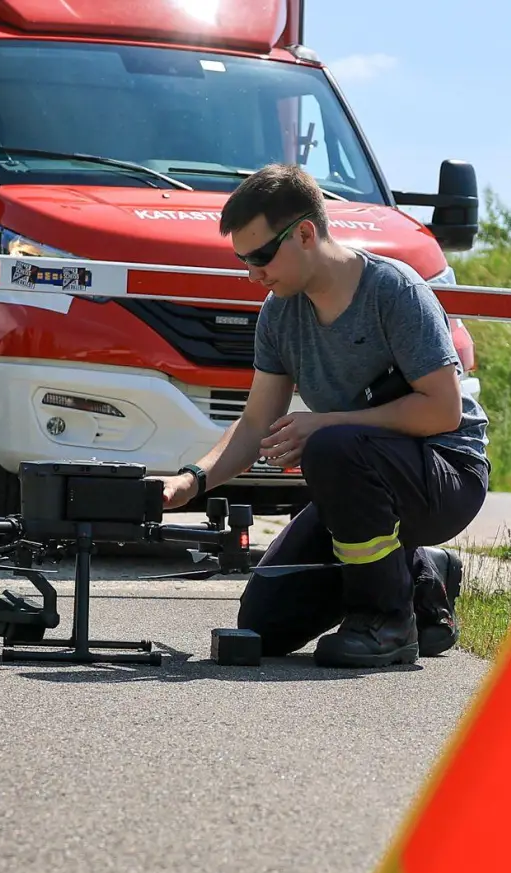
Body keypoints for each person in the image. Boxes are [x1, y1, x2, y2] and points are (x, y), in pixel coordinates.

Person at [158, 163, 491, 669]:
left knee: (331, 446)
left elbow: (443, 411)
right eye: (243, 261)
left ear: (306, 233)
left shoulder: (394, 291)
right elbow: (253, 425)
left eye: (262, 257)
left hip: (445, 474)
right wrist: (190, 482)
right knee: (263, 624)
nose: (253, 274)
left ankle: (386, 623)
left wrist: (328, 423)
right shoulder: (279, 312)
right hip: (358, 480)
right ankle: (423, 576)